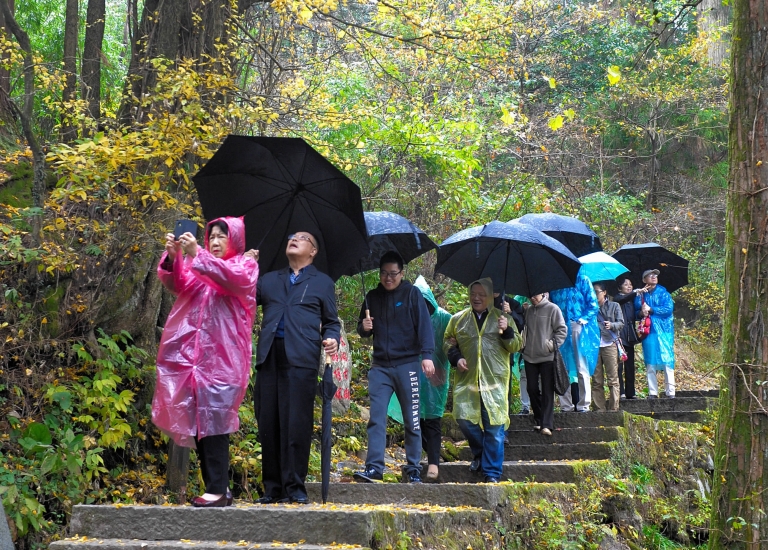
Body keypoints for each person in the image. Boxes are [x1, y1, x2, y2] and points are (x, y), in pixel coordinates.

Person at [152, 217, 259, 508]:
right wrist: (174, 258)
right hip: (194, 362)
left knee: (216, 425)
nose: (214, 241)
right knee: (201, 424)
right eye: (211, 235)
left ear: (234, 240)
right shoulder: (201, 265)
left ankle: (218, 489)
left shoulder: (244, 266)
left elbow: (229, 279)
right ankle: (216, 487)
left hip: (224, 362)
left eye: (222, 236)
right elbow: (178, 283)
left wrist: (196, 253)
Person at [253, 231, 339, 504]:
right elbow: (243, 298)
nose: (293, 239)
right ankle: (272, 488)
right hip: (269, 357)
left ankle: (295, 487)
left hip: (301, 358)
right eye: (291, 236)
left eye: (302, 238)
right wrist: (246, 266)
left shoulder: (322, 282)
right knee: (268, 422)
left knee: (297, 424)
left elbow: (332, 321)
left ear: (312, 251)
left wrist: (332, 338)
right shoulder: (269, 279)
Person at [355, 253, 435, 484]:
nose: (388, 278)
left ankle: (412, 468)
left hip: (407, 364)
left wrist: (427, 356)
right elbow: (363, 330)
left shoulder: (412, 294)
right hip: (380, 366)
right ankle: (374, 468)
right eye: (384, 273)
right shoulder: (372, 297)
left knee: (412, 419)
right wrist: (365, 326)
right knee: (377, 418)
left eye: (393, 274)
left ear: (402, 273)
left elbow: (424, 327)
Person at [444, 278, 522, 483]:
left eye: (481, 294)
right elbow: (447, 342)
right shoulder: (458, 319)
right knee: (463, 419)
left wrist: (508, 330)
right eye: (473, 294)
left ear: (490, 296)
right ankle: (480, 453)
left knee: (495, 428)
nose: (476, 298)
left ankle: (492, 473)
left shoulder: (502, 318)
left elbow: (516, 346)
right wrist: (456, 357)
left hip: (494, 380)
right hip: (467, 379)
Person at [386, 275, 452, 482]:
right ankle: (418, 461)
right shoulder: (403, 318)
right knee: (414, 420)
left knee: (432, 420)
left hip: (435, 378)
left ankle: (433, 464)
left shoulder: (444, 318)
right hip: (411, 374)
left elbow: (452, 344)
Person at [549, 271, 600, 412]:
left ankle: (584, 404)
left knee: (581, 366)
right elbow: (550, 305)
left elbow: (593, 304)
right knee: (561, 367)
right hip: (559, 327)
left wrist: (583, 319)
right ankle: (566, 405)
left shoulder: (582, 279)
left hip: (577, 326)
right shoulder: (555, 282)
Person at [520, 292, 567, 436]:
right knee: (531, 388)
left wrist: (551, 345)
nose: (532, 297)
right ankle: (539, 419)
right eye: (531, 295)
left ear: (543, 294)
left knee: (547, 390)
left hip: (547, 356)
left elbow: (562, 330)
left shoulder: (553, 309)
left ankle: (547, 424)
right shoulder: (528, 311)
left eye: (535, 295)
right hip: (529, 356)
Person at [634, 269, 676, 398]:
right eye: (650, 275)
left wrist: (651, 309)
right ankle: (653, 392)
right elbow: (635, 312)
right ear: (643, 280)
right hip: (649, 331)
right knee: (650, 360)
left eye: (655, 275)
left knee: (667, 360)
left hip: (664, 331)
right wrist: (641, 313)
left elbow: (668, 309)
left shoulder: (664, 293)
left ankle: (671, 392)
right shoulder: (641, 295)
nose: (653, 277)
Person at [592, 282, 625, 411]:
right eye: (592, 292)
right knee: (596, 379)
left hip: (610, 343)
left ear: (604, 292)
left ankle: (613, 408)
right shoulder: (591, 308)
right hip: (594, 345)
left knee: (612, 378)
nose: (594, 295)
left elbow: (621, 323)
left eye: (596, 292)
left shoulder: (614, 305)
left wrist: (611, 325)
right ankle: (599, 408)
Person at [613, 276, 644, 399]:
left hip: (630, 336)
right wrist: (635, 292)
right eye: (626, 284)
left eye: (630, 284)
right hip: (619, 337)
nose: (629, 286)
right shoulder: (617, 298)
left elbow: (636, 315)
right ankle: (621, 392)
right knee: (619, 366)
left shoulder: (632, 301)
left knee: (630, 366)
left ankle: (631, 392)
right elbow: (623, 299)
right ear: (619, 287)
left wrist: (641, 312)